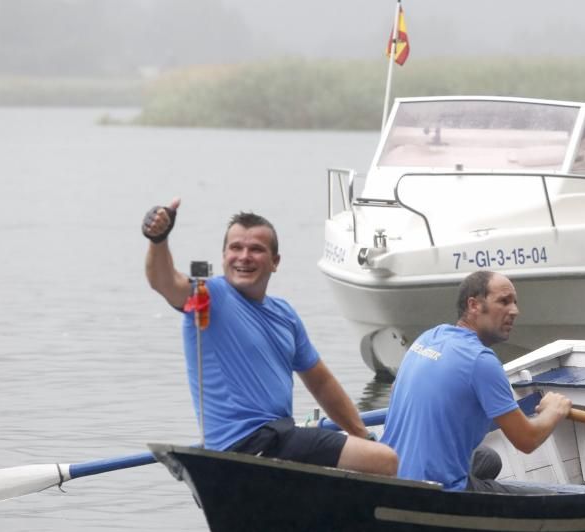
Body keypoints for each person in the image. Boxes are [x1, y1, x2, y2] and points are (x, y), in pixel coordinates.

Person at [141, 198, 397, 476]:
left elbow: (321, 383)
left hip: (280, 439)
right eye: (235, 248)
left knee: (367, 455)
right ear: (224, 256)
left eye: (256, 249)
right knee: (386, 461)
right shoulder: (206, 297)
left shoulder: (284, 314)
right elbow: (163, 281)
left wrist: (361, 435)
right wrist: (158, 240)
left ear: (275, 262)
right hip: (245, 445)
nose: (244, 256)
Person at [381, 270, 572, 492]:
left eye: (515, 303)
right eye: (504, 301)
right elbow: (526, 440)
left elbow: (397, 388)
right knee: (548, 498)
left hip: (390, 474)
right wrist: (553, 411)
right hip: (435, 491)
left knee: (489, 459)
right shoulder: (481, 361)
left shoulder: (429, 337)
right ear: (473, 305)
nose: (515, 311)